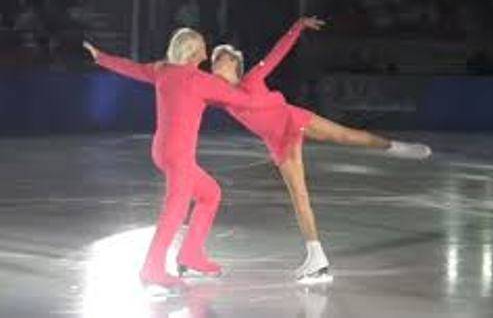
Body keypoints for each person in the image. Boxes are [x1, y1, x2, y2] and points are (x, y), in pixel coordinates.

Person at [211, 17, 432, 282]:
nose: (215, 63)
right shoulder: (219, 97)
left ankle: (396, 147)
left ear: (234, 63)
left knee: (347, 136)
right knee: (299, 196)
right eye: (214, 60)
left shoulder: (252, 78)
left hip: (292, 118)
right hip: (278, 141)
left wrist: (297, 27)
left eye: (220, 58)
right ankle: (316, 257)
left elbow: (277, 54)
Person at [83, 28, 281, 288]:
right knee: (175, 210)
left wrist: (101, 58)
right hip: (179, 155)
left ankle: (190, 254)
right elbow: (247, 101)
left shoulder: (162, 70)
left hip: (162, 150)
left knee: (210, 194)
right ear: (195, 52)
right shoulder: (200, 81)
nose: (207, 53)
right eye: (203, 47)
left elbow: (132, 68)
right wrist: (276, 99)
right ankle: (152, 268)